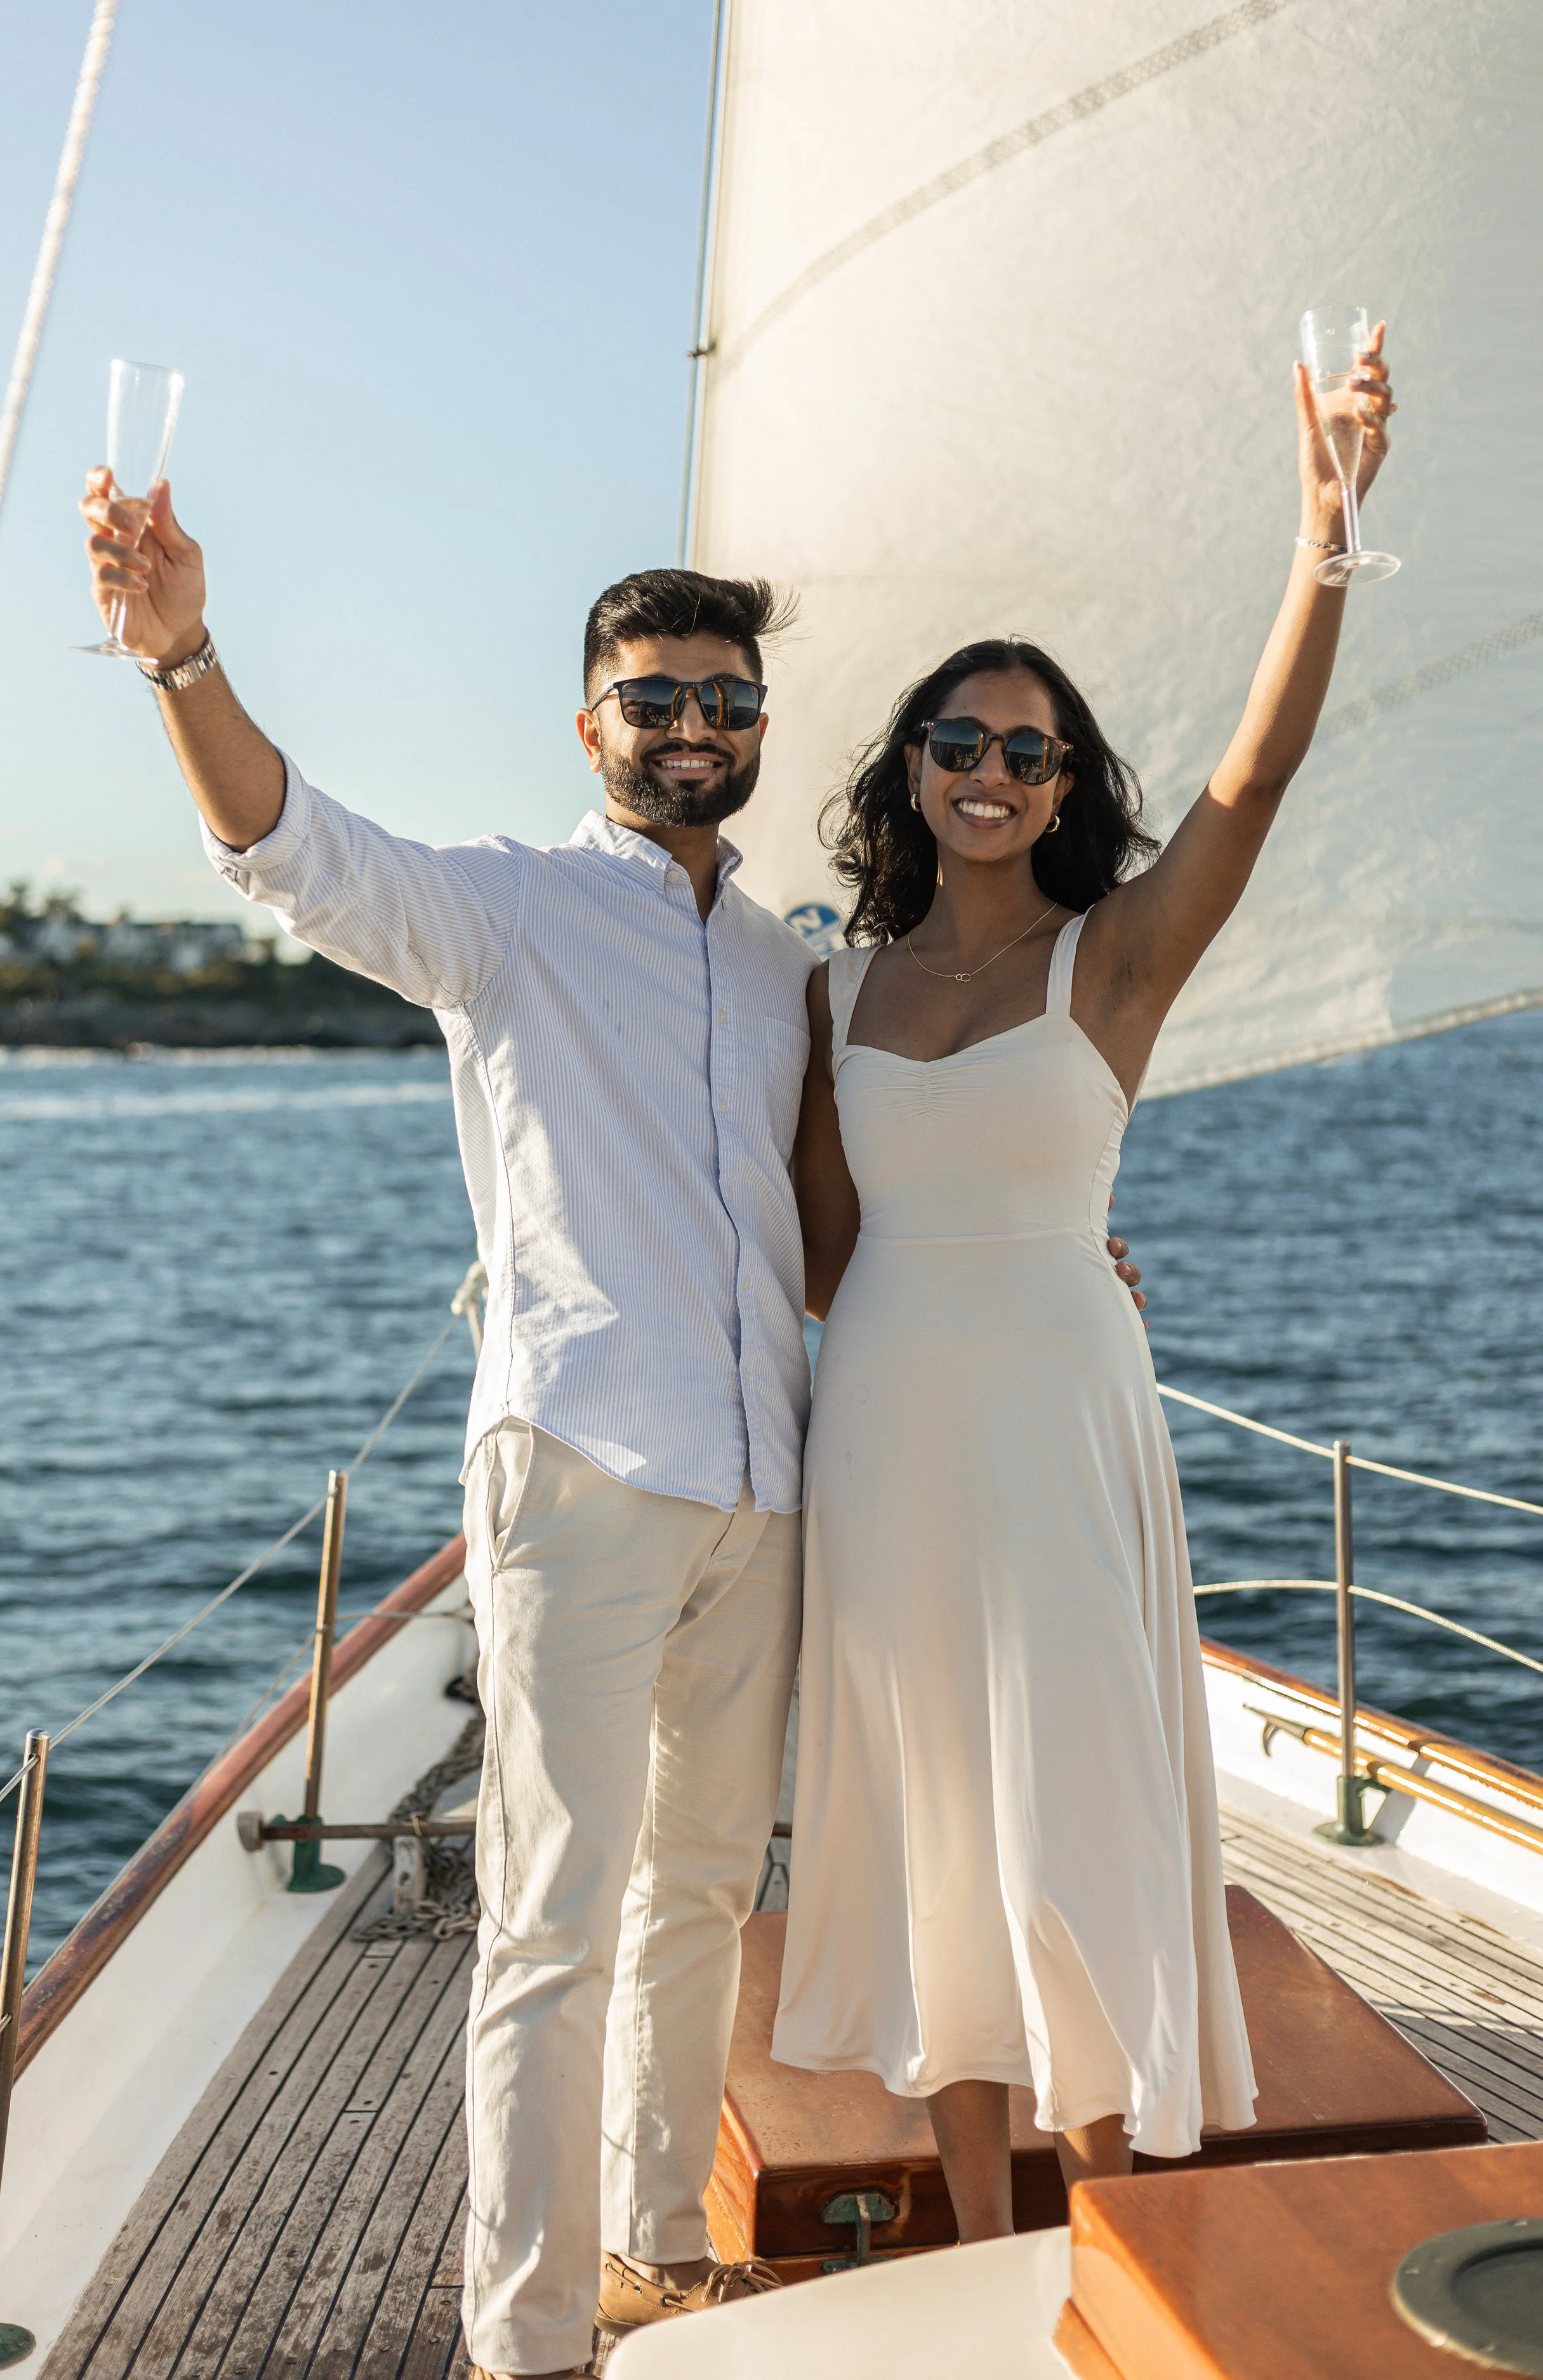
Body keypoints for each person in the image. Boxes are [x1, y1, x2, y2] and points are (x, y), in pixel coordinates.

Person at [75, 479, 1151, 2372]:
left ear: (755, 728)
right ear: (593, 726)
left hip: (766, 1477)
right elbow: (291, 845)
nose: (693, 729)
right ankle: (528, 2333)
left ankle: (659, 2247)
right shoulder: (503, 909)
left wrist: (1055, 1255)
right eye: (655, 699)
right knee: (553, 1923)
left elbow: (858, 1203)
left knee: (696, 1899)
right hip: (579, 1466)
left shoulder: (783, 969)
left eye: (724, 700)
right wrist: (182, 656)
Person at [776, 333, 1397, 2235]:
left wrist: (1323, 541)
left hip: (1058, 1413)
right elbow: (815, 1253)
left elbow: (1257, 773)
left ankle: (1116, 2230)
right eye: (956, 740)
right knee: (933, 1819)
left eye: (1024, 750)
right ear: (908, 767)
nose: (986, 770)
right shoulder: (827, 990)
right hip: (886, 1420)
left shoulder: (1113, 960)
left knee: (1066, 1804)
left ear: (1061, 787)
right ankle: (984, 2239)